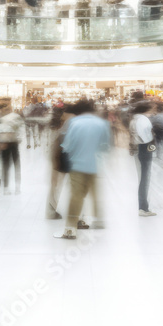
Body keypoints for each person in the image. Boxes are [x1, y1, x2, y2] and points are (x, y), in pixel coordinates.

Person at [56, 100, 112, 238]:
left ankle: (70, 229)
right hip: (95, 165)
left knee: (76, 196)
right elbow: (106, 146)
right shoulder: (102, 123)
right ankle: (99, 221)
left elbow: (67, 145)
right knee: (95, 193)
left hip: (78, 165)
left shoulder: (74, 123)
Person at [130, 102, 157, 216]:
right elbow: (146, 136)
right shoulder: (143, 120)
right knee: (145, 179)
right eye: (151, 109)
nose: (152, 112)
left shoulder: (134, 119)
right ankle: (143, 207)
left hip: (139, 148)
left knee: (142, 177)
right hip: (144, 148)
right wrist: (151, 142)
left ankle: (143, 206)